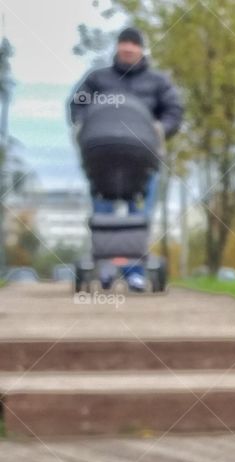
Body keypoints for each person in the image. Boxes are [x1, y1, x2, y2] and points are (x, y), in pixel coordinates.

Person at [69, 27, 183, 290]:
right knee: (103, 212)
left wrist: (160, 129)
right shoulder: (97, 79)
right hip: (102, 155)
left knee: (139, 212)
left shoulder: (158, 82)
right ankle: (106, 268)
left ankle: (134, 272)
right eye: (124, 44)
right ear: (118, 47)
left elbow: (174, 111)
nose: (128, 48)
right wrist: (81, 124)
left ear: (141, 49)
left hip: (143, 156)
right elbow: (77, 104)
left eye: (134, 44)